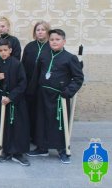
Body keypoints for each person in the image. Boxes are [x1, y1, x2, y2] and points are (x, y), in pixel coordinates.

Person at [27, 29, 84, 164]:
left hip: (59, 97)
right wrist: (31, 92)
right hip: (43, 94)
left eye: (57, 39)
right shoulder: (44, 56)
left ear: (64, 41)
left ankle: (62, 150)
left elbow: (78, 78)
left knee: (58, 124)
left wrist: (69, 91)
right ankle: (42, 147)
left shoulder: (70, 58)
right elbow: (36, 76)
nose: (54, 42)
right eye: (52, 39)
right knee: (41, 122)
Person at [0, 39, 30, 166]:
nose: (3, 53)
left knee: (17, 126)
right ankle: (5, 150)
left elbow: (22, 83)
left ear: (10, 50)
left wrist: (11, 97)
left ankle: (18, 153)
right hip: (1, 99)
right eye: (0, 51)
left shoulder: (17, 64)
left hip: (15, 100)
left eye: (5, 50)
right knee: (3, 125)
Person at [21, 21, 51, 143]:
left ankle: (41, 137)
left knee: (42, 113)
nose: (40, 32)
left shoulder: (51, 46)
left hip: (44, 86)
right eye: (38, 30)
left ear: (47, 32)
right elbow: (23, 65)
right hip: (29, 85)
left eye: (43, 29)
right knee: (30, 110)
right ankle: (29, 135)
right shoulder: (30, 46)